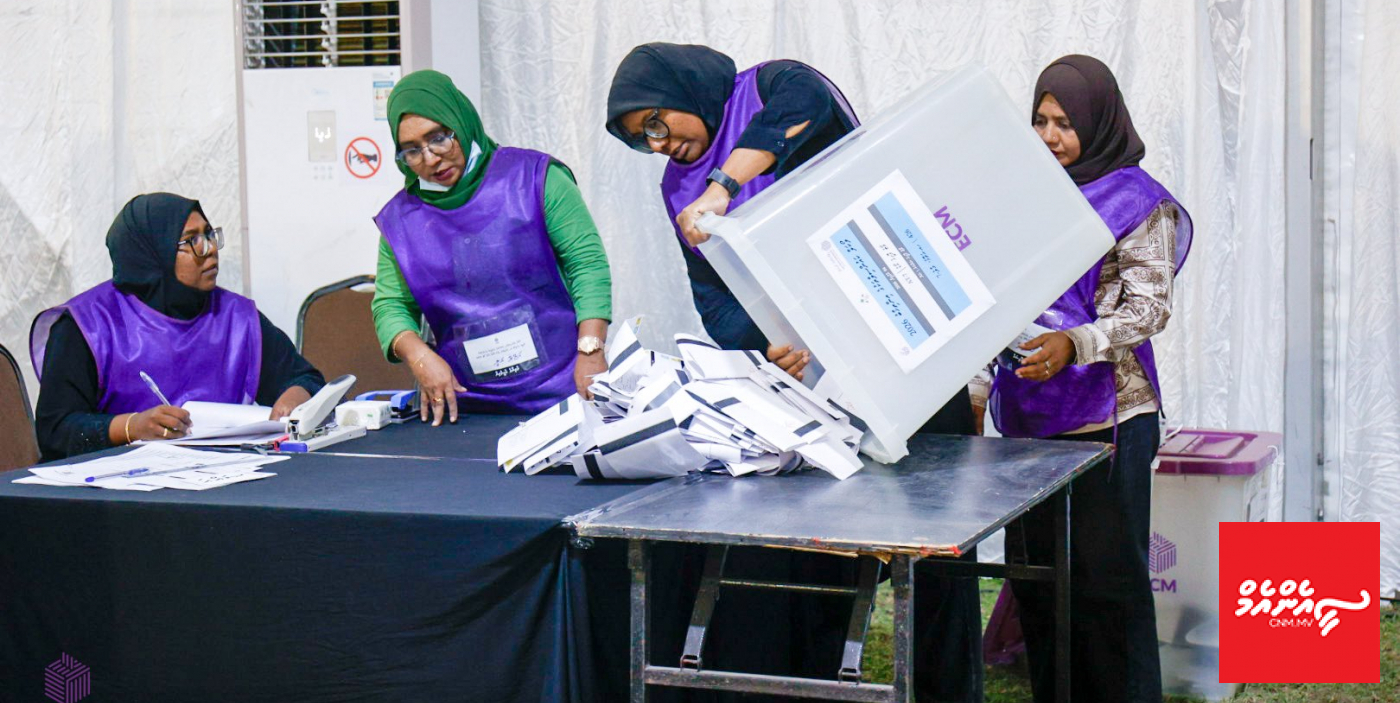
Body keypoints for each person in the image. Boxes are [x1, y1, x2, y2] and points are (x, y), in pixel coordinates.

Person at [606, 43, 983, 702]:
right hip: (812, 387)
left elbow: (807, 106)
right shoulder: (676, 190)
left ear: (683, 90)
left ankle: (945, 690)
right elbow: (717, 299)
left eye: (657, 123)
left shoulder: (767, 87)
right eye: (643, 140)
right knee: (821, 550)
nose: (659, 145)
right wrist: (770, 347)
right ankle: (818, 685)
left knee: (934, 538)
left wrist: (724, 185)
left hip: (902, 340)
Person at [973, 54, 1193, 703]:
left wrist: (1075, 343)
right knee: (1038, 580)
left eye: (1065, 123)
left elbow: (1149, 308)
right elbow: (992, 299)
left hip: (1109, 420)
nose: (1049, 137)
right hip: (1029, 418)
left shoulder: (1136, 200)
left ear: (1098, 124)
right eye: (1040, 120)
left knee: (1106, 587)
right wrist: (979, 391)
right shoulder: (1023, 192)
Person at [371, 70, 612, 424]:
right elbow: (390, 304)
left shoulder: (535, 178)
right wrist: (420, 357)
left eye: (438, 138)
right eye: (412, 150)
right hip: (465, 406)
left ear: (461, 122)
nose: (430, 158)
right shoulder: (400, 221)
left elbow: (586, 264)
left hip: (562, 390)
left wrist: (591, 352)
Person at [31, 193, 325, 462]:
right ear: (151, 252)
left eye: (209, 235)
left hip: (221, 477)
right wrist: (131, 427)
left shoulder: (236, 317)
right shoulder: (88, 325)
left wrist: (296, 396)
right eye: (191, 241)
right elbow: (55, 430)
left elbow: (304, 378)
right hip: (114, 487)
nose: (210, 249)